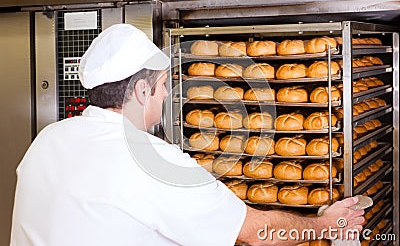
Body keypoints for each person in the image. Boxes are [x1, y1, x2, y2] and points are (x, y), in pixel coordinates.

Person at [10, 24, 364, 246]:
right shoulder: (154, 162)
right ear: (140, 91)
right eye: (163, 85)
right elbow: (256, 232)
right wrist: (326, 224)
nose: (167, 95)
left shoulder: (46, 140)